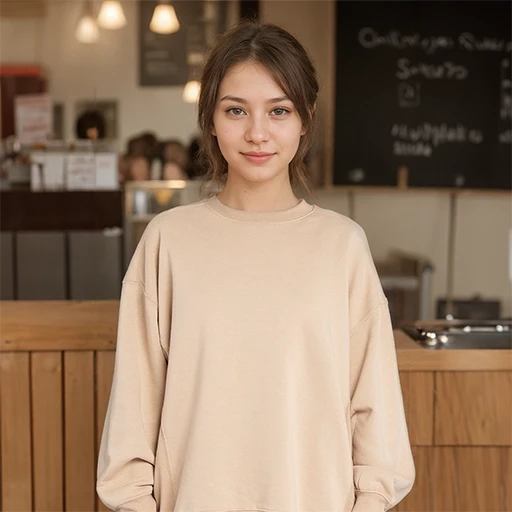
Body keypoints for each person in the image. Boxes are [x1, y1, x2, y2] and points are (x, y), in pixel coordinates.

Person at [97, 20, 415, 512]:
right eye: (236, 110)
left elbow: (376, 419)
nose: (257, 132)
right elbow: (133, 417)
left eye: (279, 110)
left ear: (305, 118)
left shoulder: (342, 246)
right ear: (211, 120)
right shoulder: (168, 241)